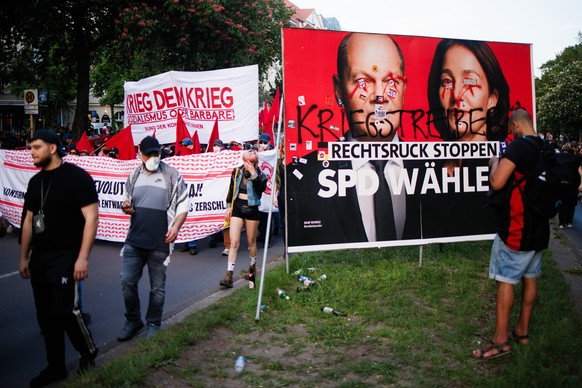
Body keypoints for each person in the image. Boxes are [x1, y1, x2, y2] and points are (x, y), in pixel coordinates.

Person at [287, 32, 414, 247]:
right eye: (362, 81)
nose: (379, 96)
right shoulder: (302, 180)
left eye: (391, 81)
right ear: (338, 89)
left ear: (404, 88)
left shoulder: (436, 171)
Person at [18, 129, 99, 386]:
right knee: (46, 314)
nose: (32, 152)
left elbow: (91, 218)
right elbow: (29, 220)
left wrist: (83, 257)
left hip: (67, 255)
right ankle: (56, 367)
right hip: (40, 257)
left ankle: (88, 352)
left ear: (52, 148)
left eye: (36, 147)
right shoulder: (35, 182)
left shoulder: (77, 178)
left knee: (67, 311)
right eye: (31, 148)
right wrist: (23, 257)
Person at [472, 110, 548, 359]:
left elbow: (497, 182)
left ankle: (500, 340)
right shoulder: (545, 147)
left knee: (505, 281)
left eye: (511, 128)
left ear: (516, 126)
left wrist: (494, 161)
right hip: (539, 228)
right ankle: (522, 332)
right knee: (530, 277)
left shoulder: (518, 148)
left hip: (517, 228)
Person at [118, 136, 188, 341]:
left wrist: (175, 226)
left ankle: (153, 324)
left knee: (157, 288)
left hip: (160, 242)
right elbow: (126, 200)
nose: (154, 157)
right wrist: (125, 206)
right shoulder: (134, 175)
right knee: (127, 282)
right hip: (134, 241)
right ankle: (133, 320)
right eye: (149, 154)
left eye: (156, 153)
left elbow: (183, 205)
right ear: (140, 154)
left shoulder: (172, 175)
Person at [427, 39, 510, 143]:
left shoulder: (505, 158)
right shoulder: (425, 158)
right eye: (447, 81)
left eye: (469, 82)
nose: (456, 95)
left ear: (492, 98)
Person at [219, 149, 267, 289]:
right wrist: (229, 206)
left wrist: (253, 173)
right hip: (238, 208)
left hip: (252, 209)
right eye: (245, 161)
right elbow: (231, 189)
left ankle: (252, 269)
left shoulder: (261, 176)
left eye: (250, 162)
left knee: (251, 242)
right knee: (234, 243)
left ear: (255, 162)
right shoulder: (236, 171)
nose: (247, 164)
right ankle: (229, 275)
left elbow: (261, 189)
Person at [556, 144, 582, 228]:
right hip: (573, 183)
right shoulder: (575, 158)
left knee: (562, 203)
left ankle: (561, 222)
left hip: (561, 183)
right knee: (571, 203)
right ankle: (569, 221)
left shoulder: (557, 157)